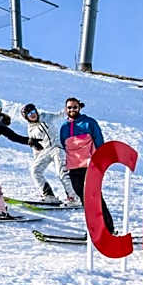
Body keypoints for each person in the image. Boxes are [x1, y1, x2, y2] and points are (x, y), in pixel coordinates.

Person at [59, 97, 115, 233]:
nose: (72, 110)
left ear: (79, 107)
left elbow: (99, 142)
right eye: (69, 107)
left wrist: (100, 162)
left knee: (95, 196)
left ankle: (108, 229)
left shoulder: (89, 123)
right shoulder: (64, 127)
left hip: (90, 166)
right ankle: (95, 228)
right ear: (66, 109)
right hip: (73, 167)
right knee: (83, 198)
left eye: (75, 107)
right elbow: (63, 144)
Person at [18, 103, 79, 205]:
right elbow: (35, 147)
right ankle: (49, 196)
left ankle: (74, 197)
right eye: (29, 114)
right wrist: (36, 155)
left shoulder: (46, 117)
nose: (32, 115)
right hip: (45, 152)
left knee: (62, 173)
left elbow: (60, 115)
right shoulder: (31, 129)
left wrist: (72, 108)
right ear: (26, 117)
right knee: (35, 170)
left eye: (33, 112)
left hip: (57, 148)